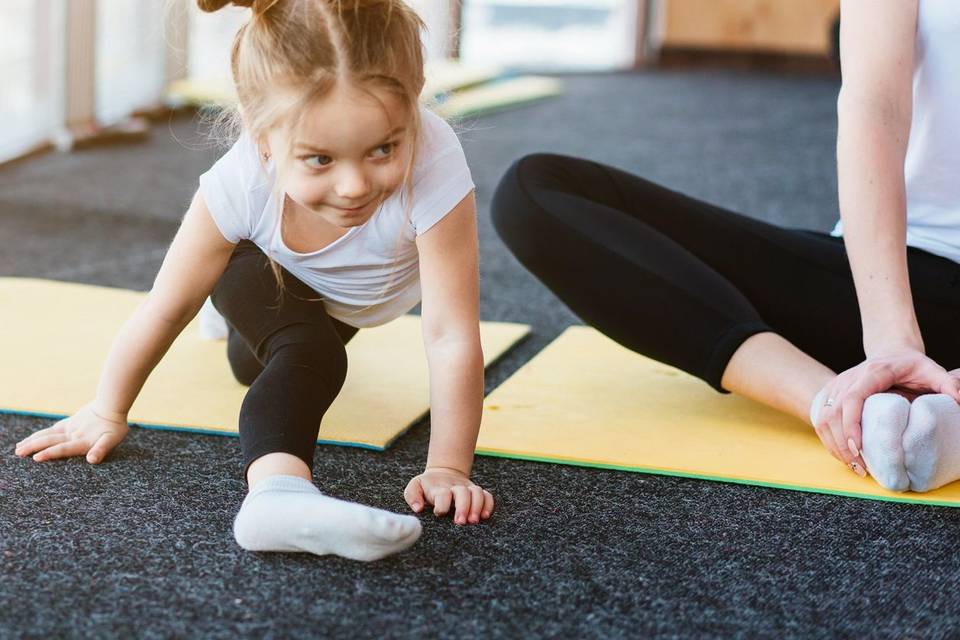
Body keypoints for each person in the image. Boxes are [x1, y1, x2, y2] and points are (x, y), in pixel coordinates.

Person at [15, 0, 494, 561]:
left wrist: (447, 467)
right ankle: (277, 497)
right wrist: (106, 409)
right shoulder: (238, 185)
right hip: (251, 262)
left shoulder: (434, 162)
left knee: (253, 363)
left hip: (341, 300)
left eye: (383, 149)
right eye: (319, 159)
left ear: (412, 111)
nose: (354, 185)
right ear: (263, 138)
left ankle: (238, 326)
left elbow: (450, 332)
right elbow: (166, 307)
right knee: (308, 352)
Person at [490, 0, 960, 492]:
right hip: (895, 289)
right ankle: (840, 408)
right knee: (535, 193)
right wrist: (892, 344)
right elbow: (875, 107)